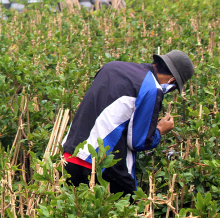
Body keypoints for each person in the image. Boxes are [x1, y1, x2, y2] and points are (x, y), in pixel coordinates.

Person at [61, 50, 194, 195]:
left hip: (71, 156)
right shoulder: (152, 88)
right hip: (103, 166)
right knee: (125, 205)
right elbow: (139, 141)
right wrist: (159, 130)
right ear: (172, 81)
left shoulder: (111, 67)